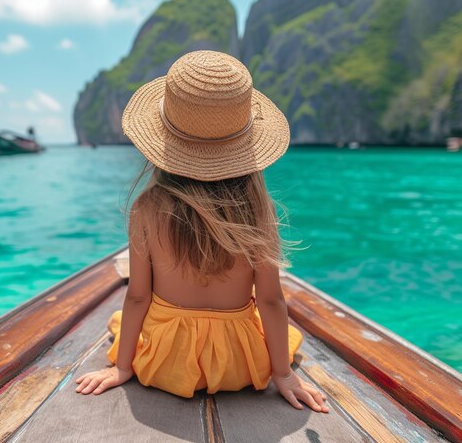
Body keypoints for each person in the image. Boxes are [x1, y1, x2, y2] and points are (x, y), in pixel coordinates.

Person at [75, 50, 329, 413]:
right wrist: (284, 375)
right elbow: (271, 300)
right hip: (238, 363)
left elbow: (137, 298)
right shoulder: (258, 209)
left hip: (166, 362)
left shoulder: (145, 209)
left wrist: (123, 367)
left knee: (121, 321)